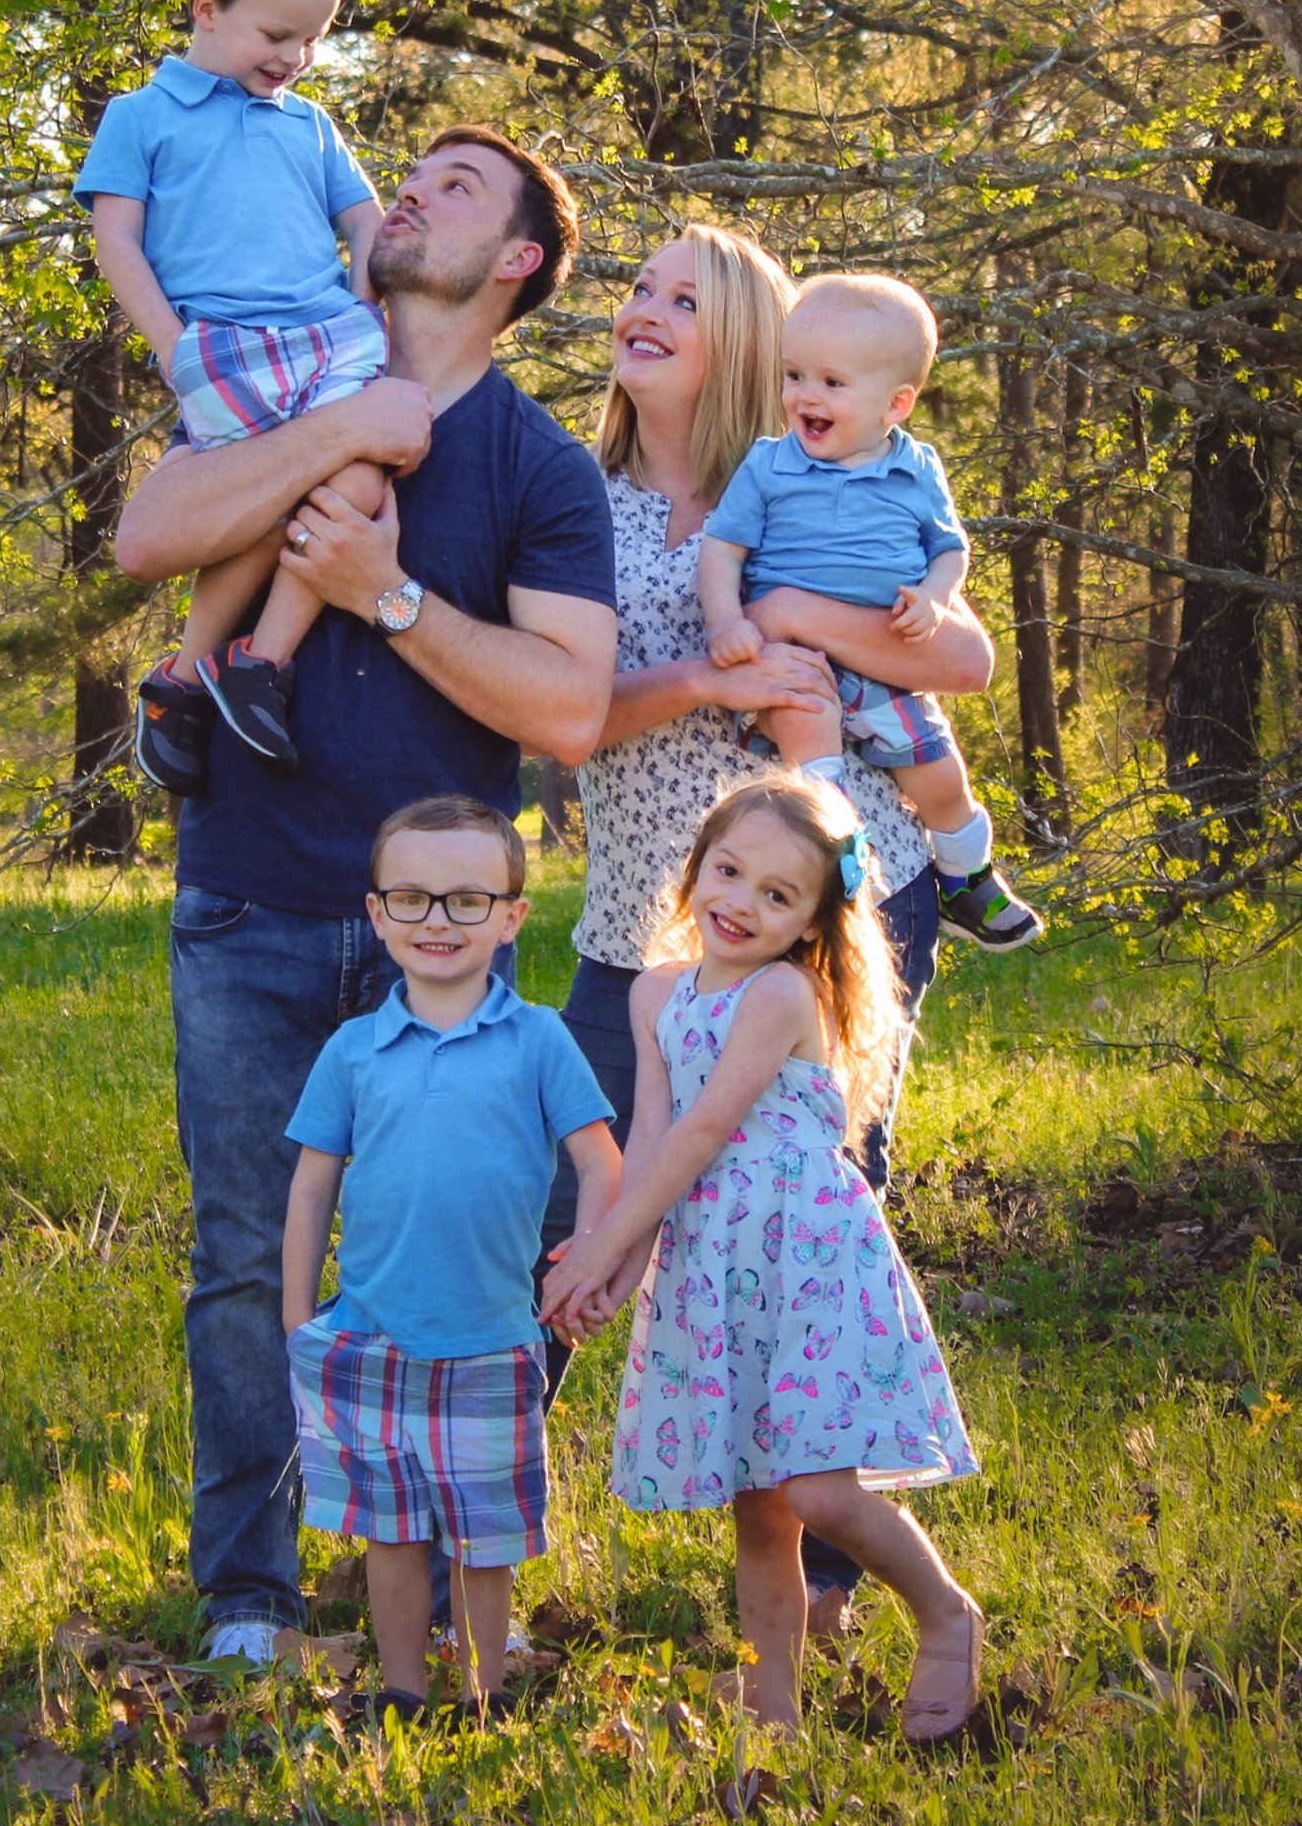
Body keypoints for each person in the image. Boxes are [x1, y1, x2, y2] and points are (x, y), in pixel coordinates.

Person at [113, 125, 616, 1666]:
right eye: (412, 174)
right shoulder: (281, 380)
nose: (409, 190)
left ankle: (452, 1571)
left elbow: (569, 710)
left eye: (458, 188)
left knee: (468, 1251)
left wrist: (380, 597)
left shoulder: (538, 467)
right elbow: (150, 537)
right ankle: (253, 1592)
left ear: (517, 261)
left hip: (443, 941)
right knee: (246, 1251)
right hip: (249, 902)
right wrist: (339, 436)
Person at [559, 225, 995, 1632]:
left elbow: (967, 656)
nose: (643, 311)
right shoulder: (577, 498)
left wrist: (803, 611)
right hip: (640, 916)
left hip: (830, 910)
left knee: (814, 1220)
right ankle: (460, 1529)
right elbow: (556, 711)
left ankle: (826, 1569)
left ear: (745, 335)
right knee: (577, 1209)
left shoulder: (818, 478)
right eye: (636, 287)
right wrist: (698, 673)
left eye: (683, 297)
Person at [542, 776, 983, 1740]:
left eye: (777, 895)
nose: (740, 903)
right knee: (757, 1508)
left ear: (814, 921)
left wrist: (605, 1248)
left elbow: (706, 1131)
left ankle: (945, 1611)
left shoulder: (784, 993)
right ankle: (773, 1716)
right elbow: (652, 1138)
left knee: (815, 1487)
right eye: (728, 872)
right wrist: (610, 1270)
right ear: (695, 866)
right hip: (710, 1265)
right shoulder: (657, 992)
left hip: (807, 1258)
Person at [281, 797, 621, 1723]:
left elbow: (601, 1163)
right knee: (388, 1537)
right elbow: (311, 1187)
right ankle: (400, 1691)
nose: (438, 920)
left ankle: (481, 1695)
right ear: (377, 912)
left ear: (512, 915)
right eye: (414, 899)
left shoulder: (541, 1040)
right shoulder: (354, 1052)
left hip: (493, 1340)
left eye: (467, 900)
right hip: (370, 1338)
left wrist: (586, 1260)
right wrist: (294, 1317)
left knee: (484, 1540)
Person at [75, 0, 393, 776]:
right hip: (223, 348)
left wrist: (364, 308)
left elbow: (366, 224)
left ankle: (259, 665)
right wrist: (175, 350)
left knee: (361, 477)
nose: (294, 58)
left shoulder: (311, 125)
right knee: (262, 503)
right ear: (206, 9)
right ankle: (181, 678)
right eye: (275, 36)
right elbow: (117, 241)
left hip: (330, 338)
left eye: (313, 40)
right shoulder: (141, 117)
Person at [700, 272, 1043, 950]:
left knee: (941, 777)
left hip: (884, 658)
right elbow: (722, 550)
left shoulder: (915, 471)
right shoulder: (770, 466)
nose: (805, 396)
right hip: (794, 660)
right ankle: (839, 875)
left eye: (832, 382)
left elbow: (950, 549)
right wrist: (725, 621)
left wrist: (937, 597)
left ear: (897, 402)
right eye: (795, 375)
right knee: (814, 760)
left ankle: (966, 879)